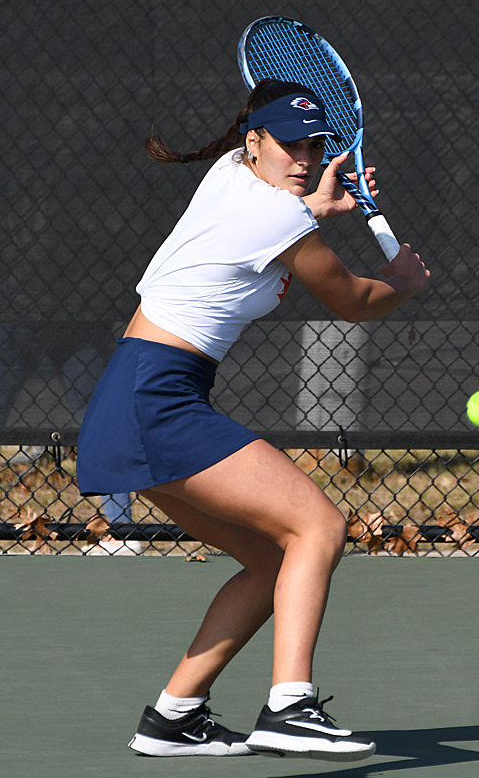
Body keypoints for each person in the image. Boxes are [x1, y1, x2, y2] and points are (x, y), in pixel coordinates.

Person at [76, 78, 430, 761]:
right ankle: (290, 707)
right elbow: (355, 300)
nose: (301, 157)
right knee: (319, 524)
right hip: (156, 398)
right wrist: (406, 283)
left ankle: (174, 716)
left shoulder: (227, 175)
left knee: (273, 558)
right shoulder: (280, 221)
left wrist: (314, 207)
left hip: (132, 398)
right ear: (253, 141)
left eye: (312, 145)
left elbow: (271, 220)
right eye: (287, 144)